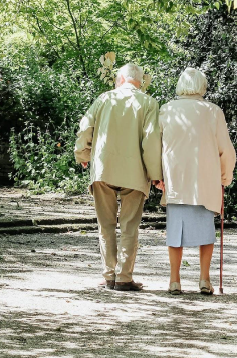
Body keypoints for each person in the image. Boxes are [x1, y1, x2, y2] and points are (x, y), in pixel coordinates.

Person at [74, 63, 163, 292]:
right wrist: (156, 175)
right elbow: (151, 141)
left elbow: (85, 128)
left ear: (120, 79)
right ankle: (124, 277)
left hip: (104, 169)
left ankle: (109, 276)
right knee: (129, 226)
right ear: (140, 81)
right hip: (135, 172)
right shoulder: (149, 103)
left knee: (105, 225)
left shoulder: (103, 99)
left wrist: (83, 154)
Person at [157, 67, 236, 295]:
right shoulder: (213, 112)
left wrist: (157, 176)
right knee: (206, 232)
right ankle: (204, 279)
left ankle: (174, 280)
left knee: (175, 232)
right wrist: (225, 176)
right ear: (202, 86)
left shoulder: (167, 110)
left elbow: (156, 146)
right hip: (205, 180)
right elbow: (226, 150)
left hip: (177, 179)